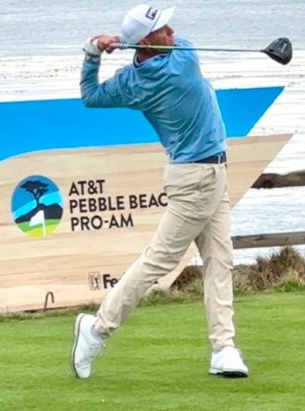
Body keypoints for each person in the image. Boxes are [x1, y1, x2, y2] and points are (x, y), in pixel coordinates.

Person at [71, 4, 248, 380]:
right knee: (159, 261)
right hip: (196, 179)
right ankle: (97, 328)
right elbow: (183, 45)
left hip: (211, 173)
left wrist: (93, 51)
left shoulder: (131, 82)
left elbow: (90, 95)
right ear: (149, 42)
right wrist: (123, 43)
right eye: (163, 30)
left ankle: (224, 347)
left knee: (220, 259)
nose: (173, 32)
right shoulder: (183, 63)